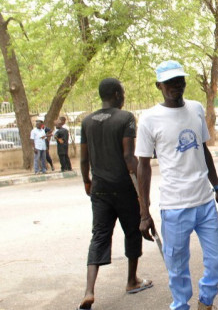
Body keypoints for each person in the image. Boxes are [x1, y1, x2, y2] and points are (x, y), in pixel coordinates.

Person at [136, 60, 218, 310]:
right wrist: (144, 213)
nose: (177, 86)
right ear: (159, 86)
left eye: (180, 80)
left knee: (217, 261)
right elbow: (142, 166)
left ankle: (206, 301)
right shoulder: (149, 119)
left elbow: (204, 151)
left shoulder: (196, 109)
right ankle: (181, 306)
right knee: (176, 267)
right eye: (171, 82)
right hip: (174, 206)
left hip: (204, 202)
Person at [78, 78, 152, 310]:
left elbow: (83, 158)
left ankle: (89, 290)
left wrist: (87, 182)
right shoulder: (126, 117)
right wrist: (142, 190)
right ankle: (132, 281)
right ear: (118, 94)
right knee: (132, 231)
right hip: (123, 188)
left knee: (99, 235)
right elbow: (129, 157)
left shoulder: (87, 121)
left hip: (99, 188)